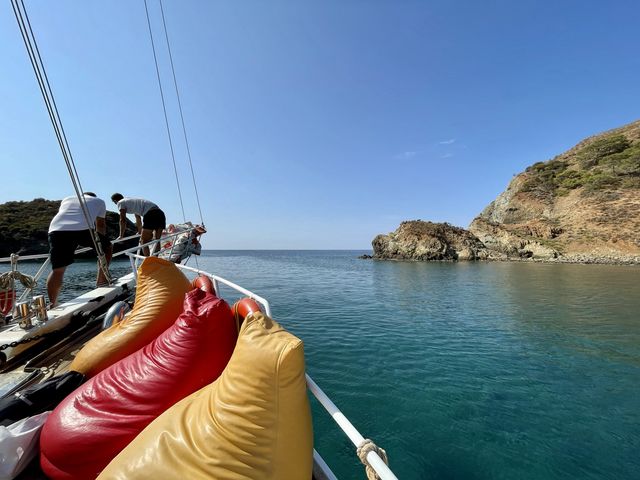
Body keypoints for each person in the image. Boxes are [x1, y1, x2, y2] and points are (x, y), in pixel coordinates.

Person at [47, 192, 112, 306]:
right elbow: (100, 225)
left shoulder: (67, 198)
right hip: (83, 229)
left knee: (57, 270)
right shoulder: (100, 201)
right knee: (108, 247)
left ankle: (53, 304)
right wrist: (99, 246)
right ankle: (102, 280)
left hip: (56, 229)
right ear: (93, 197)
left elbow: (70, 215)